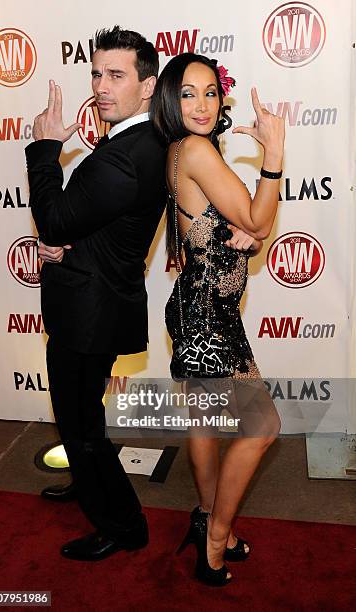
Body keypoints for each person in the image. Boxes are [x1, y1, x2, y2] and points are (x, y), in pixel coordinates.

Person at [25, 26, 167, 561]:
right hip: (96, 296)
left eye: (116, 75)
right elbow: (110, 226)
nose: (101, 87)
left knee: (81, 427)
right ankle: (88, 484)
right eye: (96, 74)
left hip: (90, 311)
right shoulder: (136, 140)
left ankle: (123, 525)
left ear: (148, 85)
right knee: (85, 417)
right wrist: (74, 250)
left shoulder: (127, 152)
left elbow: (56, 219)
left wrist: (44, 148)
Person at [150, 53, 284, 585]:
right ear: (169, 99)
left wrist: (248, 236)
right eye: (188, 93)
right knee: (263, 427)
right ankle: (214, 540)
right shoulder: (199, 149)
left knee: (205, 425)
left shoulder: (180, 149)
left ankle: (209, 520)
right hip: (206, 316)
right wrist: (273, 155)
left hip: (200, 307)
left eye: (210, 92)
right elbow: (256, 215)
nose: (202, 104)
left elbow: (228, 232)